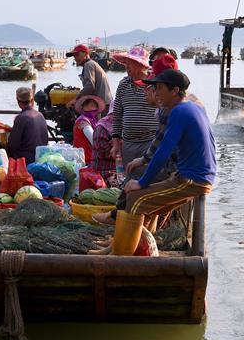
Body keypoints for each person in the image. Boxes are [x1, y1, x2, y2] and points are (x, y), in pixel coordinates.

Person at [94, 69, 216, 256]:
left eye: (159, 88)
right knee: (144, 200)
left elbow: (163, 152)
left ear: (175, 91)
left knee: (135, 199)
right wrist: (144, 168)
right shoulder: (191, 107)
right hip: (192, 175)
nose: (156, 93)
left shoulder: (179, 112)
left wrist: (142, 182)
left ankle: (120, 257)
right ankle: (118, 247)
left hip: (192, 180)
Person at [110, 46, 158, 166]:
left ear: (140, 65)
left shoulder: (154, 84)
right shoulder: (123, 85)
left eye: (130, 63)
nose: (126, 67)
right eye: (125, 63)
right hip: (128, 144)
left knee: (150, 179)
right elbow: (117, 116)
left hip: (151, 142)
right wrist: (116, 144)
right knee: (130, 176)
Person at [6, 86, 49, 164]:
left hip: (25, 159)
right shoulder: (40, 115)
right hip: (40, 156)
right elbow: (45, 139)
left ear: (18, 101)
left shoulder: (21, 118)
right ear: (32, 100)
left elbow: (12, 145)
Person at [72, 94, 106, 165]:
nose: (90, 108)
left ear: (96, 107)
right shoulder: (83, 121)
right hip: (86, 158)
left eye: (92, 106)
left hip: (85, 156)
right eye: (87, 106)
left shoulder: (93, 120)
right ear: (83, 108)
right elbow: (94, 141)